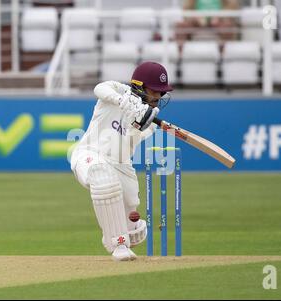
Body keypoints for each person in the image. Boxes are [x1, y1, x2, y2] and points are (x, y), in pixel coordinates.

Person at [70, 62, 173, 261]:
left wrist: (137, 121)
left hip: (121, 165)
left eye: (162, 93)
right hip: (89, 155)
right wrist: (121, 101)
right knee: (102, 175)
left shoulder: (149, 122)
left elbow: (126, 144)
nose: (159, 98)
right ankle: (119, 245)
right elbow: (99, 88)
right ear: (140, 87)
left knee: (131, 225)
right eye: (155, 91)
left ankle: (129, 230)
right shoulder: (118, 90)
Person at [175, 0, 239, 43]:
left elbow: (233, 7)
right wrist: (195, 17)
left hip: (218, 21)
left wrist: (220, 17)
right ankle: (179, 56)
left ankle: (225, 56)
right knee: (181, 26)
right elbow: (186, 9)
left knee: (227, 26)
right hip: (197, 21)